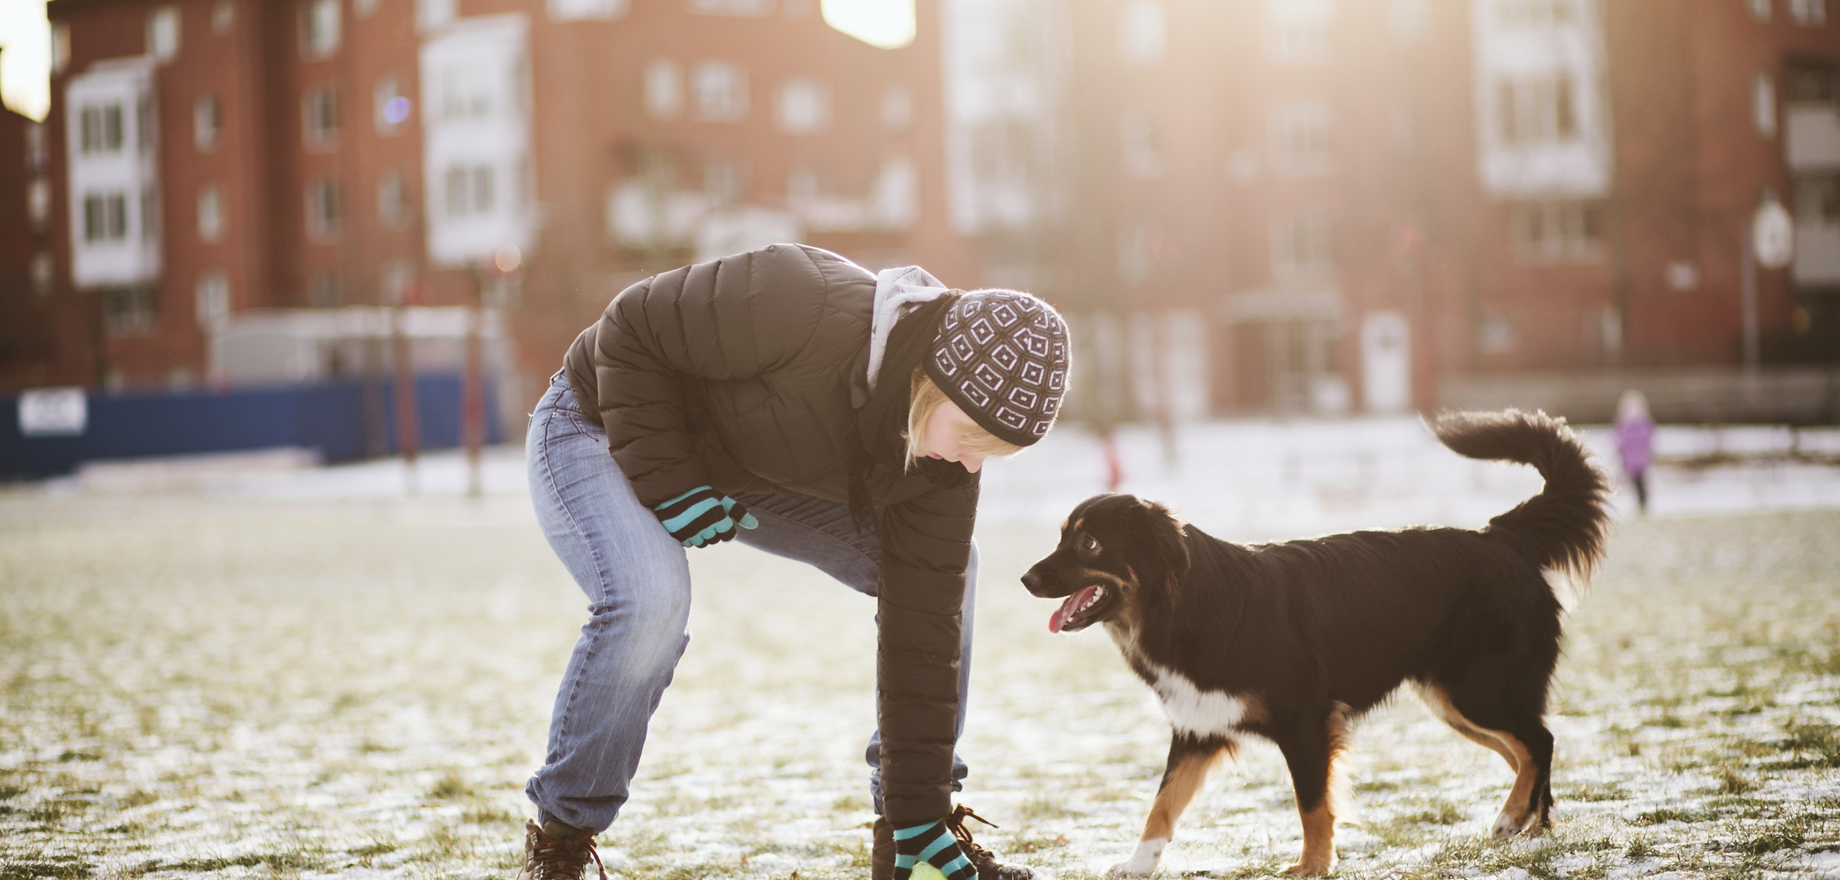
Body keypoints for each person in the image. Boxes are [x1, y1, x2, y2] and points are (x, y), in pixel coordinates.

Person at [517, 244, 1070, 880]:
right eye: (971, 438)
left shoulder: (938, 469)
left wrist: (918, 807)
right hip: (593, 422)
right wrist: (672, 483)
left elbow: (924, 634)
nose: (973, 464)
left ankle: (913, 830)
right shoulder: (801, 298)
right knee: (650, 604)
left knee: (955, 575)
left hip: (735, 468)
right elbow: (631, 327)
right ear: (933, 380)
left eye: (991, 453)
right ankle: (562, 834)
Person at [1614, 389, 1655, 515]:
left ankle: (1642, 506)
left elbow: (1648, 440)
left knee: (1639, 483)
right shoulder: (1629, 425)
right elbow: (1620, 442)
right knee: (1636, 483)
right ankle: (1641, 506)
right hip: (1634, 460)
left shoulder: (1640, 425)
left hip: (1638, 460)